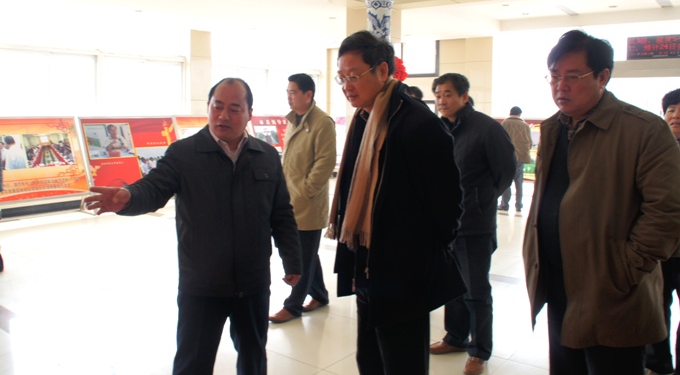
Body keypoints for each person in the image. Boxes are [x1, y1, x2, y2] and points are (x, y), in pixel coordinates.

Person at [84, 77, 303, 375]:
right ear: (208, 107)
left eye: (234, 109)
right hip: (202, 284)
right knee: (193, 362)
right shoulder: (184, 153)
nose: (223, 116)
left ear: (249, 113)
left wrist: (292, 259)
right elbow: (154, 187)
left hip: (252, 282)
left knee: (253, 357)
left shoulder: (265, 156)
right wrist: (128, 198)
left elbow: (280, 213)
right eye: (217, 107)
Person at [523, 30, 680, 375]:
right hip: (559, 286)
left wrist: (624, 271)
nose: (560, 86)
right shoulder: (554, 129)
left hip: (613, 294)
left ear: (603, 76)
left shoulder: (644, 130)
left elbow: (667, 211)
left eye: (573, 76)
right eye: (554, 76)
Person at [329, 30, 466, 375]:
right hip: (368, 265)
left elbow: (447, 208)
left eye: (354, 76)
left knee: (403, 362)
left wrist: (415, 256)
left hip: (404, 273)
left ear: (382, 70)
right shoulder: (364, 120)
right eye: (341, 78)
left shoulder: (417, 124)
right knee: (370, 359)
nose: (346, 86)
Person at [429, 72, 515, 375]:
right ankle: (455, 337)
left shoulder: (486, 128)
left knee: (476, 290)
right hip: (447, 224)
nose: (442, 100)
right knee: (452, 286)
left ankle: (479, 351)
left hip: (474, 224)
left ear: (464, 97)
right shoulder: (440, 128)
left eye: (448, 94)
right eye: (438, 95)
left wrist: (481, 200)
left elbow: (506, 171)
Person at [268, 73, 336, 324]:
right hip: (290, 199)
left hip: (308, 201)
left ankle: (293, 306)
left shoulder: (322, 122)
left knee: (302, 256)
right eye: (288, 92)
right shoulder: (293, 120)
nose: (289, 97)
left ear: (309, 94)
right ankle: (319, 295)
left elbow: (325, 162)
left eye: (293, 92)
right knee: (307, 253)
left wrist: (305, 191)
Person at [645, 88, 680, 375]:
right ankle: (657, 363)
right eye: (671, 110)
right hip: (657, 248)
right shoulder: (651, 149)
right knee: (655, 307)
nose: (676, 116)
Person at [498, 106, 533, 214]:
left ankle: (505, 204)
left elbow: (499, 140)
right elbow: (530, 143)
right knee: (519, 182)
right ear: (519, 114)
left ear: (510, 113)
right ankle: (519, 205)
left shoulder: (505, 123)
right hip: (520, 157)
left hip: (507, 157)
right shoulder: (525, 126)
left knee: (507, 182)